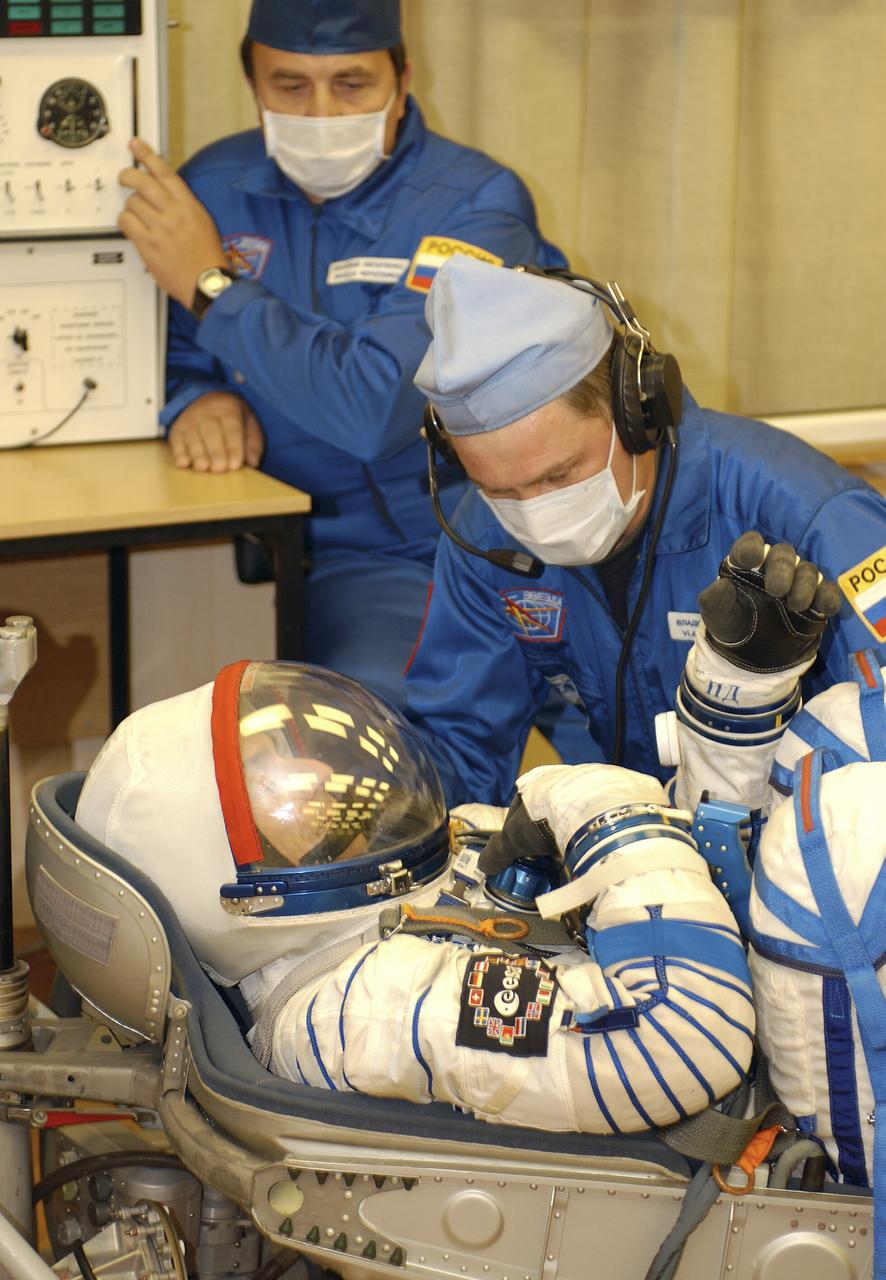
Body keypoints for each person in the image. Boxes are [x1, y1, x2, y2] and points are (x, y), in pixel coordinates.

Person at [115, 0, 565, 711]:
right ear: (253, 83)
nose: (322, 113)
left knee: (587, 739)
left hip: (471, 541)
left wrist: (212, 288)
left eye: (352, 84)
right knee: (328, 726)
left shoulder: (475, 204)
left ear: (402, 81)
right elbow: (147, 345)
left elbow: (377, 407)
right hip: (314, 551)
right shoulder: (208, 191)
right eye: (290, 85)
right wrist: (196, 396)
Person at [404, 255, 886, 805]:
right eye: (500, 490)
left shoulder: (811, 515)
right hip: (632, 837)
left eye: (559, 476)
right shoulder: (482, 538)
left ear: (635, 411)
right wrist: (380, 806)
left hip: (805, 836)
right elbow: (460, 749)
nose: (533, 515)